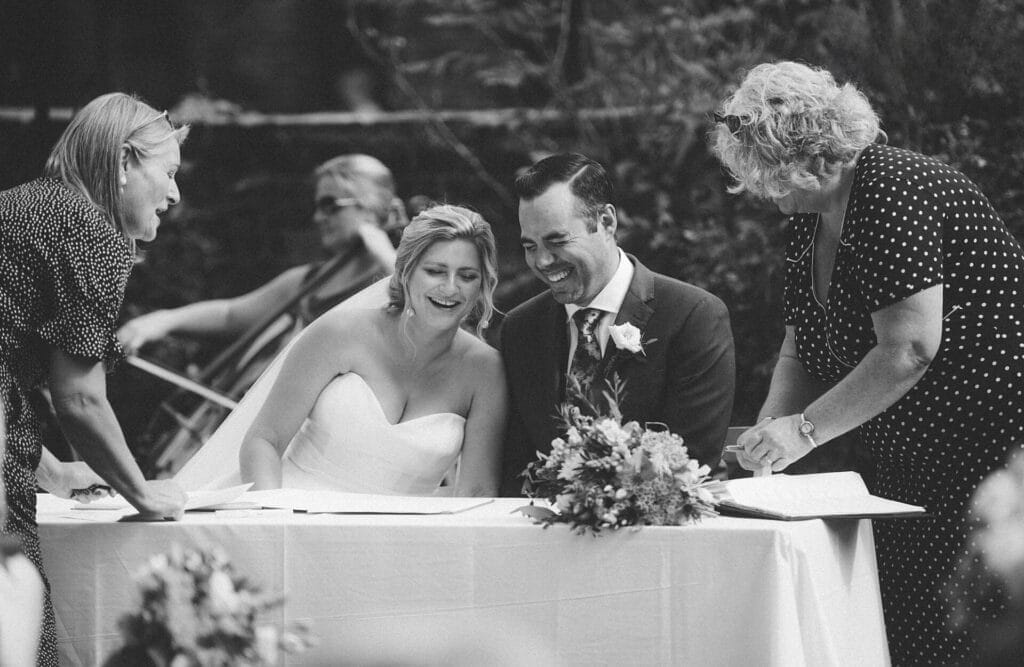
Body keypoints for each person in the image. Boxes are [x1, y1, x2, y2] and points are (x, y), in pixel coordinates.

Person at [710, 61, 1024, 665]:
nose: (761, 192)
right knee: (907, 633)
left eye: (769, 177)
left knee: (974, 632)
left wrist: (803, 432)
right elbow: (799, 345)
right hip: (909, 458)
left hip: (990, 448)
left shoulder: (894, 188)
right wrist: (764, 443)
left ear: (818, 161)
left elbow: (908, 350)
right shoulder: (809, 219)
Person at [0, 92, 190, 665]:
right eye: (170, 172)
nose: (176, 194)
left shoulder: (34, 207)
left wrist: (52, 471)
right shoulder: (90, 232)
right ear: (124, 162)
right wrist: (144, 493)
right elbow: (79, 396)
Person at [173, 205, 506, 497]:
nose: (450, 288)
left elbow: (477, 490)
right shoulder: (339, 332)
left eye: (466, 276)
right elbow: (265, 440)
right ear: (405, 272)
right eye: (434, 271)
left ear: (482, 285)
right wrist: (274, 523)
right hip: (290, 515)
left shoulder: (485, 370)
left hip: (400, 545)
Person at [116, 154, 403, 474]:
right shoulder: (307, 281)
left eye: (331, 205)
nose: (318, 217)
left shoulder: (393, 284)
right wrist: (160, 321)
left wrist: (387, 257)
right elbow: (231, 315)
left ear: (373, 209)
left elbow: (428, 319)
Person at [499, 152, 736, 496]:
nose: (542, 261)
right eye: (529, 246)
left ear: (607, 223)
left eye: (557, 241)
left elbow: (691, 459)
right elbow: (515, 464)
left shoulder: (692, 316)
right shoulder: (520, 329)